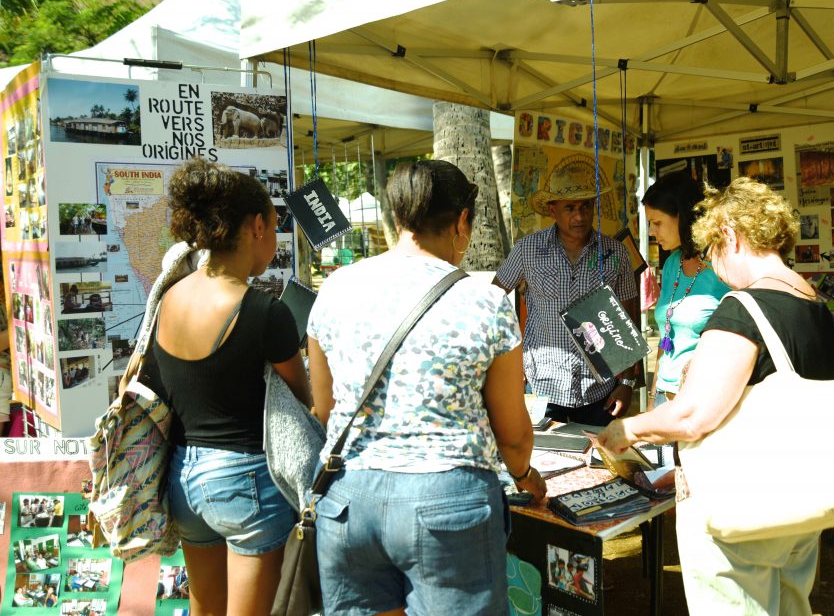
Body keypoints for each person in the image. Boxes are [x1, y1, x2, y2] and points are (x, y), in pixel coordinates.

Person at [600, 178, 834, 615]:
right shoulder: (814, 304)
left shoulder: (742, 308)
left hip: (744, 507)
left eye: (713, 249)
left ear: (730, 235)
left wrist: (628, 429)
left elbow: (693, 415)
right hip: (800, 500)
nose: (714, 263)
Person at [308, 160, 546, 615]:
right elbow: (512, 434)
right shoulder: (485, 300)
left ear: (398, 216)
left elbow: (324, 407)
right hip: (448, 504)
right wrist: (522, 476)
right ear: (461, 222)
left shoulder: (337, 287)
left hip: (348, 501)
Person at [142, 157, 311, 615]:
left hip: (182, 479)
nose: (274, 243)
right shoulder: (262, 311)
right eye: (275, 228)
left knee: (205, 610)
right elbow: (305, 400)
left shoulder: (167, 298)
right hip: (246, 481)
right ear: (257, 225)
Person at [493, 158, 639, 426]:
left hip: (600, 390)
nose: (580, 216)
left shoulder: (615, 253)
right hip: (543, 389)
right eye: (570, 207)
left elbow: (629, 320)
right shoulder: (528, 250)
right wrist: (510, 360)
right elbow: (494, 300)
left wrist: (627, 382)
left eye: (585, 206)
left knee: (600, 463)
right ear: (552, 210)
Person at [643, 172, 730, 407]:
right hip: (665, 394)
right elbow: (666, 339)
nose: (652, 231)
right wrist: (652, 399)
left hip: (702, 401)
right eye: (650, 223)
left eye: (658, 223)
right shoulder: (673, 263)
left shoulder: (722, 265)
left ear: (682, 216)